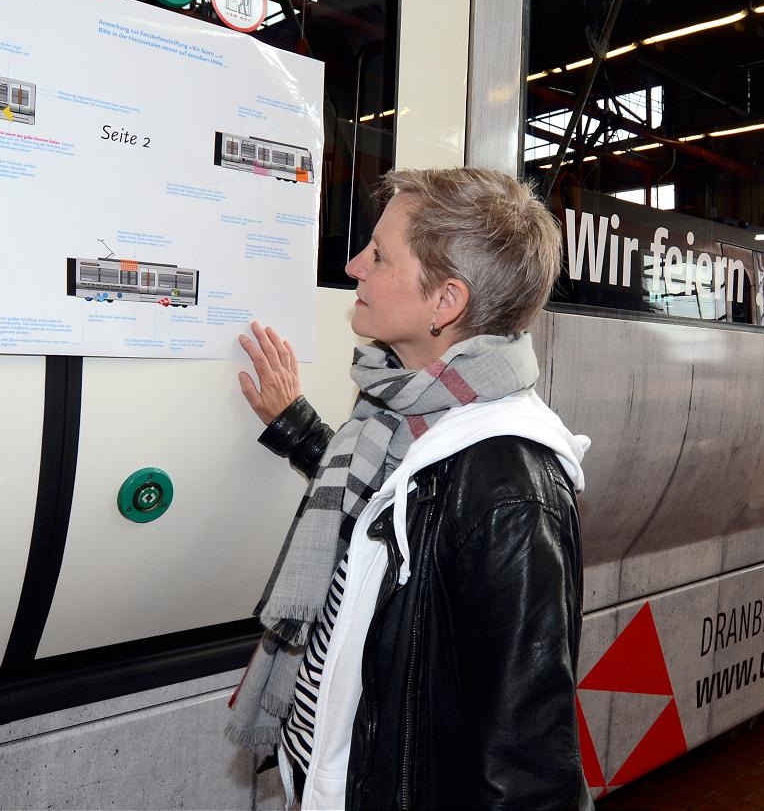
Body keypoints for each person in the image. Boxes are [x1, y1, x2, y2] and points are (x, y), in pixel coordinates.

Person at [227, 167, 592, 811]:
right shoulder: (403, 419)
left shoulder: (509, 487)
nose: (352, 266)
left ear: (444, 303)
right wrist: (298, 429)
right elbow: (389, 509)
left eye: (378, 255)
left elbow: (527, 762)